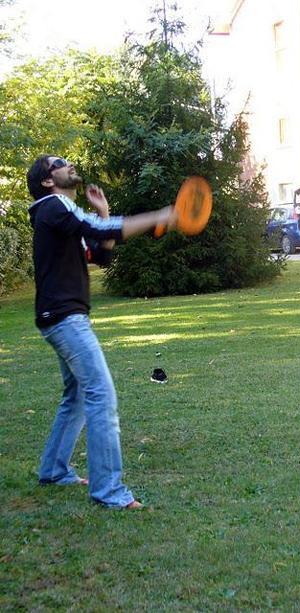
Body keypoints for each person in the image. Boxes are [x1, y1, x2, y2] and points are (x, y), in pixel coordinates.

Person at [27, 155, 176, 508]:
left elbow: (101, 254)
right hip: (65, 318)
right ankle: (109, 490)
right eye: (59, 163)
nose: (69, 164)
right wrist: (159, 217)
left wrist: (105, 212)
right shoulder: (52, 206)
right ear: (48, 180)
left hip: (61, 316)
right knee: (101, 395)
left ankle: (54, 470)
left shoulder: (61, 216)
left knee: (77, 396)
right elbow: (100, 231)